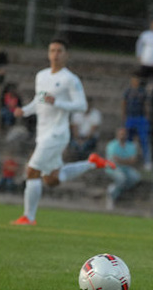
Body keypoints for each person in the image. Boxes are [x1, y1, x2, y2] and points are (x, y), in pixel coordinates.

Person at [10, 38, 115, 225]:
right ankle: (92, 163)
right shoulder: (41, 76)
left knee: (32, 170)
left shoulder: (70, 79)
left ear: (66, 55)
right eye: (52, 50)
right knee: (51, 179)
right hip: (43, 133)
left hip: (57, 133)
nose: (55, 54)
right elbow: (39, 101)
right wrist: (24, 110)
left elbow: (81, 105)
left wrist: (57, 102)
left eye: (59, 51)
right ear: (48, 53)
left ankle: (29, 217)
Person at [105, 127, 141, 210]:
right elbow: (114, 160)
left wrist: (122, 160)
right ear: (117, 135)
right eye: (121, 134)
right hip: (113, 168)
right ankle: (111, 196)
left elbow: (133, 161)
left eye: (124, 134)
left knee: (136, 177)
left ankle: (115, 188)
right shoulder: (112, 145)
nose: (122, 136)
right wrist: (127, 160)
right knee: (121, 179)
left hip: (126, 168)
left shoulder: (131, 146)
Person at [122, 72, 151, 170]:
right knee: (128, 139)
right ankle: (128, 159)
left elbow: (146, 104)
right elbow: (124, 103)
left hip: (140, 117)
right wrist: (124, 115)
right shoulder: (128, 91)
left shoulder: (143, 92)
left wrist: (147, 116)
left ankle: (147, 161)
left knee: (144, 140)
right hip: (130, 117)